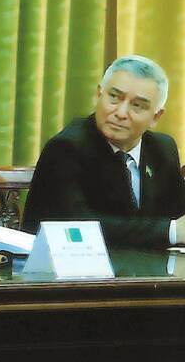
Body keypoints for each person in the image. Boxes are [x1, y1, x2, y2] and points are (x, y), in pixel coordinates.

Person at [22, 55, 185, 247]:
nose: (121, 113)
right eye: (114, 97)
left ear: (156, 117)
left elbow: (175, 212)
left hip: (147, 264)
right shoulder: (67, 147)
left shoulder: (162, 148)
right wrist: (171, 232)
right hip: (64, 261)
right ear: (98, 95)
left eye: (137, 106)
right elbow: (79, 227)